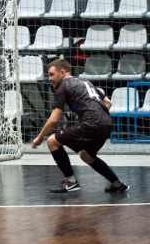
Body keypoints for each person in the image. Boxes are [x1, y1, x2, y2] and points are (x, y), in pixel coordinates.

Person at [32, 59, 129, 193]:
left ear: (62, 73)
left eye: (51, 74)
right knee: (86, 155)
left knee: (51, 141)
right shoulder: (85, 82)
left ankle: (70, 181)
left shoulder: (63, 86)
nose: (49, 78)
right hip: (106, 125)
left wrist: (40, 137)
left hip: (91, 124)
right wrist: (96, 117)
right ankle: (117, 184)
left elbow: (54, 119)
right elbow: (108, 103)